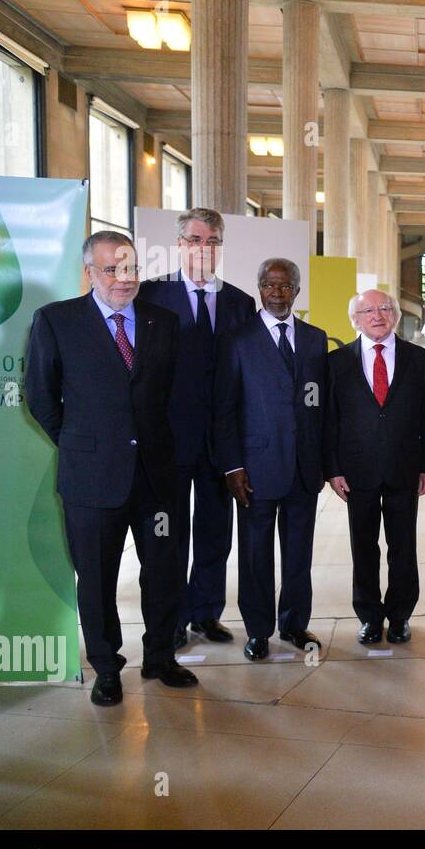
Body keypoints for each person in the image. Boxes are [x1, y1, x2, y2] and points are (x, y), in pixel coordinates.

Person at [25, 231, 196, 706]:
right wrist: (80, 445)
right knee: (97, 577)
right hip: (91, 478)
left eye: (131, 268)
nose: (124, 279)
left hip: (157, 476)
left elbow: (170, 395)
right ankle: (106, 665)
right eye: (112, 270)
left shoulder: (164, 321)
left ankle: (161, 656)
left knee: (163, 571)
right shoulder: (57, 321)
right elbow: (40, 396)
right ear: (89, 272)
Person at [138, 207, 255, 649]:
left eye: (210, 241)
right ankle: (169, 621)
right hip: (167, 441)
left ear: (220, 246)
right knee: (167, 536)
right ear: (179, 245)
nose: (202, 248)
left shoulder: (240, 303)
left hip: (220, 442)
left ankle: (205, 613)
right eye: (193, 239)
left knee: (214, 530)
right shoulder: (150, 295)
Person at [212, 258, 328, 661]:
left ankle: (294, 624)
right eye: (269, 285)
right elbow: (223, 409)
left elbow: (321, 408)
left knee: (299, 554)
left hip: (303, 469)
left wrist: (326, 463)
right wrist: (232, 466)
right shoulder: (236, 338)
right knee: (255, 555)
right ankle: (258, 630)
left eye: (285, 286)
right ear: (259, 288)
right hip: (255, 469)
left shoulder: (316, 339)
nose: (277, 293)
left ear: (297, 291)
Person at [325, 290, 425, 644]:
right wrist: (333, 468)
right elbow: (330, 419)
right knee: (363, 546)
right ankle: (370, 616)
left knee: (403, 546)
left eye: (385, 308)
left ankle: (400, 614)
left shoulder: (417, 358)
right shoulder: (337, 362)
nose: (378, 315)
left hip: (404, 468)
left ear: (395, 316)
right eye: (368, 310)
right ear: (355, 320)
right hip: (357, 470)